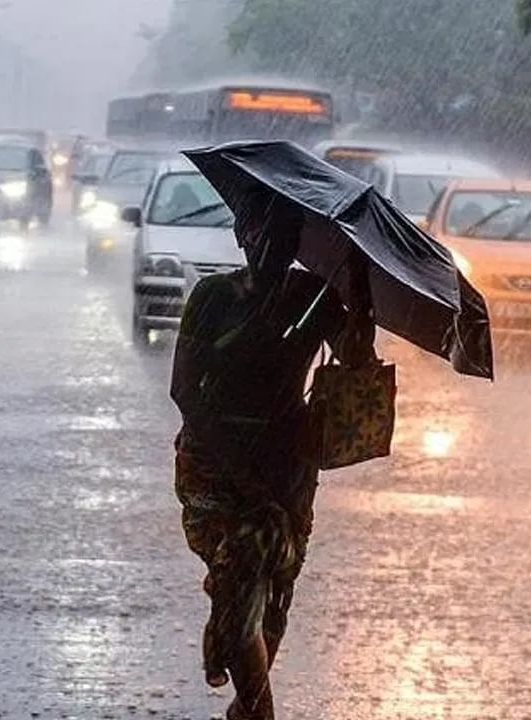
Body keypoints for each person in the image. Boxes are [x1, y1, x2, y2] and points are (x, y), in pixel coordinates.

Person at [170, 197, 374, 720]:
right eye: (261, 233)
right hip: (216, 466)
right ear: (241, 234)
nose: (271, 247)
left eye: (285, 236)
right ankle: (261, 711)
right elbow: (185, 391)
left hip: (286, 471)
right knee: (241, 578)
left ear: (296, 244)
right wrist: (238, 470)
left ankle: (247, 707)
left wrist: (361, 296)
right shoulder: (213, 297)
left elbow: (354, 362)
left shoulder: (312, 297)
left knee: (273, 599)